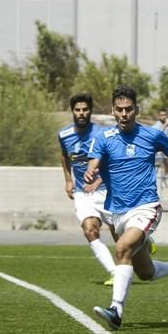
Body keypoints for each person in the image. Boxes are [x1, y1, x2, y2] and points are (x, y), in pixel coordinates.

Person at [85, 85, 168, 330]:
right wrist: (90, 170)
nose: (124, 114)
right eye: (119, 109)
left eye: (129, 109)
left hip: (146, 207)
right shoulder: (103, 138)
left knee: (122, 247)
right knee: (144, 271)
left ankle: (116, 310)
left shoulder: (151, 135)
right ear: (113, 111)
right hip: (116, 212)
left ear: (136, 110)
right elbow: (94, 161)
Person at [58, 93, 117, 286]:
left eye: (85, 109)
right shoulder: (64, 135)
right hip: (83, 192)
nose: (81, 113)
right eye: (77, 110)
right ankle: (114, 272)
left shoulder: (102, 134)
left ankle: (144, 242)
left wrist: (98, 180)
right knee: (90, 230)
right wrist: (68, 181)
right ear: (72, 111)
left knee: (120, 234)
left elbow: (112, 161)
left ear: (90, 111)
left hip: (107, 189)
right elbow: (65, 157)